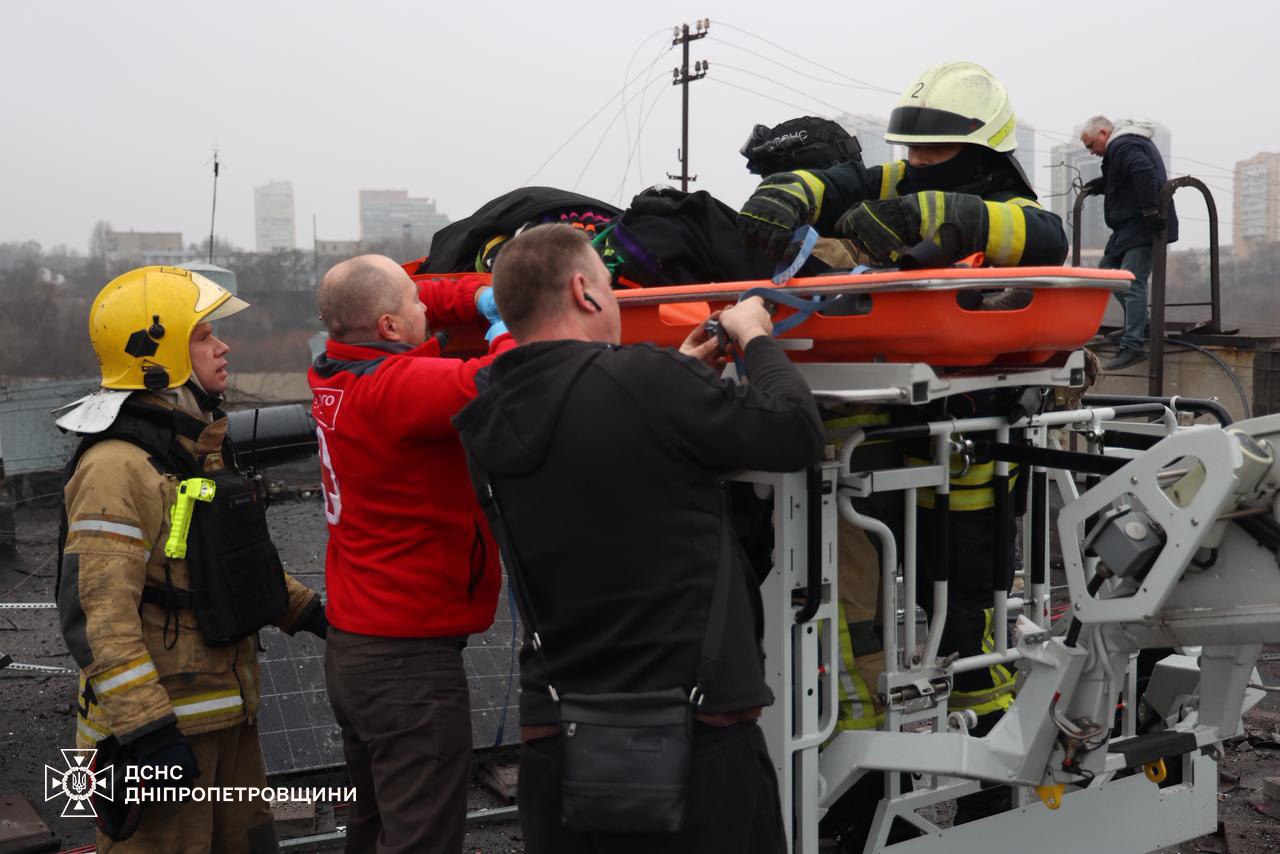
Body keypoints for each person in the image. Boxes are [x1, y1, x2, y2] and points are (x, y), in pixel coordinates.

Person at [740, 61, 1065, 840]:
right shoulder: (889, 173)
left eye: (935, 151)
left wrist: (947, 212)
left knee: (970, 638)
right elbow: (844, 180)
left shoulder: (1012, 207)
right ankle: (870, 798)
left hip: (969, 461)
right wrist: (798, 192)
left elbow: (1043, 235)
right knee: (859, 634)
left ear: (980, 147)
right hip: (877, 442)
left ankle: (994, 802)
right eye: (911, 150)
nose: (915, 161)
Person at [453, 223, 823, 854]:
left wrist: (674, 376)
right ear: (584, 291)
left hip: (561, 742)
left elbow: (590, 446)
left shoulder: (487, 414)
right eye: (609, 286)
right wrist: (755, 335)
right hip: (691, 742)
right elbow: (795, 432)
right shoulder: (646, 383)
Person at [56, 265, 326, 851]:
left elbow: (223, 563)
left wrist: (307, 612)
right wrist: (148, 731)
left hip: (225, 721)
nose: (222, 346)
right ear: (159, 355)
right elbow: (98, 614)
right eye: (204, 335)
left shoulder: (191, 445)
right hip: (161, 738)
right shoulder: (116, 467)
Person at [309, 255, 512, 854]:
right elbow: (516, 380)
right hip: (408, 666)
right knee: (423, 836)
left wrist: (478, 296)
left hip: (359, 649)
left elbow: (411, 287)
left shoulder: (334, 369)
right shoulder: (398, 390)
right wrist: (504, 322)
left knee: (375, 827)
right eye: (414, 307)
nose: (428, 306)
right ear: (391, 327)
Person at [1080, 116, 1179, 370]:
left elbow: (1143, 171)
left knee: (1132, 282)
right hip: (1128, 227)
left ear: (1104, 133)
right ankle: (1142, 325)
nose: (1092, 152)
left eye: (1092, 145)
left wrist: (1149, 211)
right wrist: (1103, 185)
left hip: (1142, 225)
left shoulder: (1123, 145)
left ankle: (1132, 345)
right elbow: (1127, 178)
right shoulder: (1120, 148)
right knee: (1104, 274)